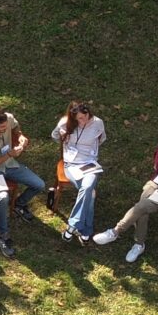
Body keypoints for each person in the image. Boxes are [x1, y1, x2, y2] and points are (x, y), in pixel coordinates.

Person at [92, 123, 158, 263]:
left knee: (141, 207)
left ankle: (115, 231)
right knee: (143, 207)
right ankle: (139, 244)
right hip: (155, 183)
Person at [0, 106, 45, 256]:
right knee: (3, 196)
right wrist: (10, 154)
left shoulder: (8, 118)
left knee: (39, 184)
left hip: (9, 165)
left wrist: (20, 135)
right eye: (2, 128)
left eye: (6, 126)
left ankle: (18, 204)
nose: (5, 129)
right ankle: (2, 235)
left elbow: (16, 127)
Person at [49, 100, 106, 242]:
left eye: (86, 116)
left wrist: (90, 151)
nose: (84, 120)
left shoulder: (98, 123)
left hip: (90, 164)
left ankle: (72, 225)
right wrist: (64, 138)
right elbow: (55, 136)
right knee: (90, 193)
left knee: (87, 187)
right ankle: (86, 229)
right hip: (72, 164)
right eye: (80, 118)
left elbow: (102, 139)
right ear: (73, 117)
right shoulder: (65, 123)